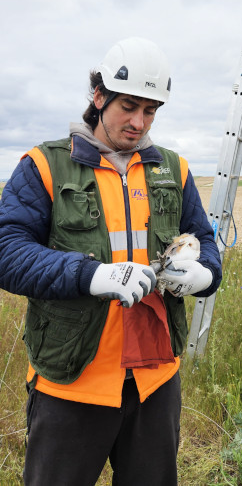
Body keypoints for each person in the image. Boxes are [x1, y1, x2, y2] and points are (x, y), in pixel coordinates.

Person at [0, 36, 222, 486]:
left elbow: (204, 239)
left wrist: (205, 275)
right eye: (128, 106)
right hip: (72, 380)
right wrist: (91, 275)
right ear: (98, 96)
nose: (139, 122)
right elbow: (7, 251)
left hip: (155, 382)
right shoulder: (44, 166)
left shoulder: (172, 170)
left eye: (151, 110)